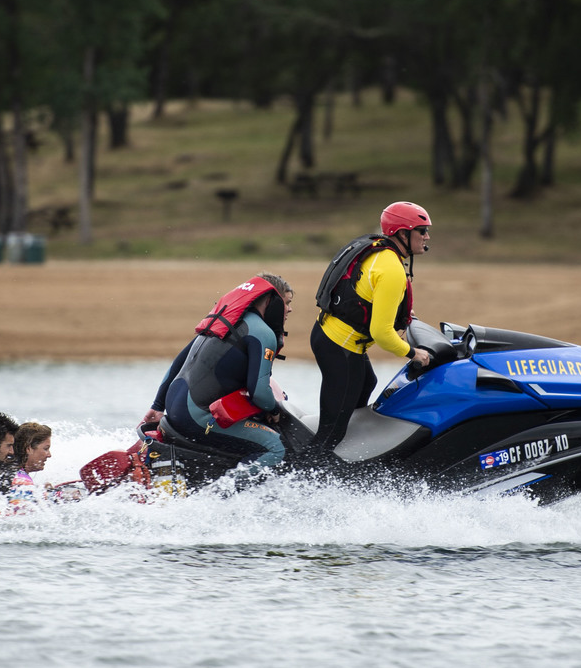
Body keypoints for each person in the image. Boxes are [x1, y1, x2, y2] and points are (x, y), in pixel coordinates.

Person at [139, 272, 294, 482]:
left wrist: (158, 406)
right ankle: (221, 499)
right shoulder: (263, 333)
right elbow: (259, 392)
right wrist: (274, 410)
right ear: (271, 301)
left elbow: (178, 363)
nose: (290, 309)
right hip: (197, 417)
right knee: (275, 447)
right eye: (287, 302)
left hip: (174, 409)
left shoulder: (223, 320)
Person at [310, 202, 433, 454]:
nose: (427, 236)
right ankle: (305, 477)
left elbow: (366, 296)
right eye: (421, 230)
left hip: (329, 336)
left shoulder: (382, 253)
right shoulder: (391, 269)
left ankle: (343, 452)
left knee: (367, 383)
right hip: (340, 348)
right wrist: (413, 353)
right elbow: (382, 334)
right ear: (402, 234)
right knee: (330, 432)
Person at [5, 422, 53, 512]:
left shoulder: (11, 471)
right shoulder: (21, 480)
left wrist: (44, 493)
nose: (49, 455)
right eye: (46, 449)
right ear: (29, 449)